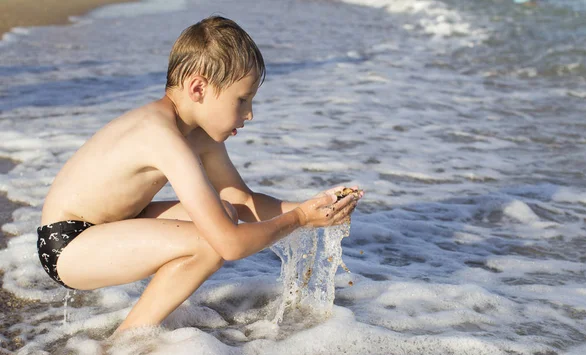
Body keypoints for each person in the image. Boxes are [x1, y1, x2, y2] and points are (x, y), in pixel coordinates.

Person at [36, 16, 362, 333]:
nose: (249, 114)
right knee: (211, 242)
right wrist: (300, 219)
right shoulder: (162, 137)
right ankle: (129, 340)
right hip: (68, 243)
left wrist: (318, 206)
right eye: (242, 99)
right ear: (198, 88)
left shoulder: (198, 135)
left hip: (113, 223)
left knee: (225, 212)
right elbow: (230, 246)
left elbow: (241, 199)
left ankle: (151, 322)